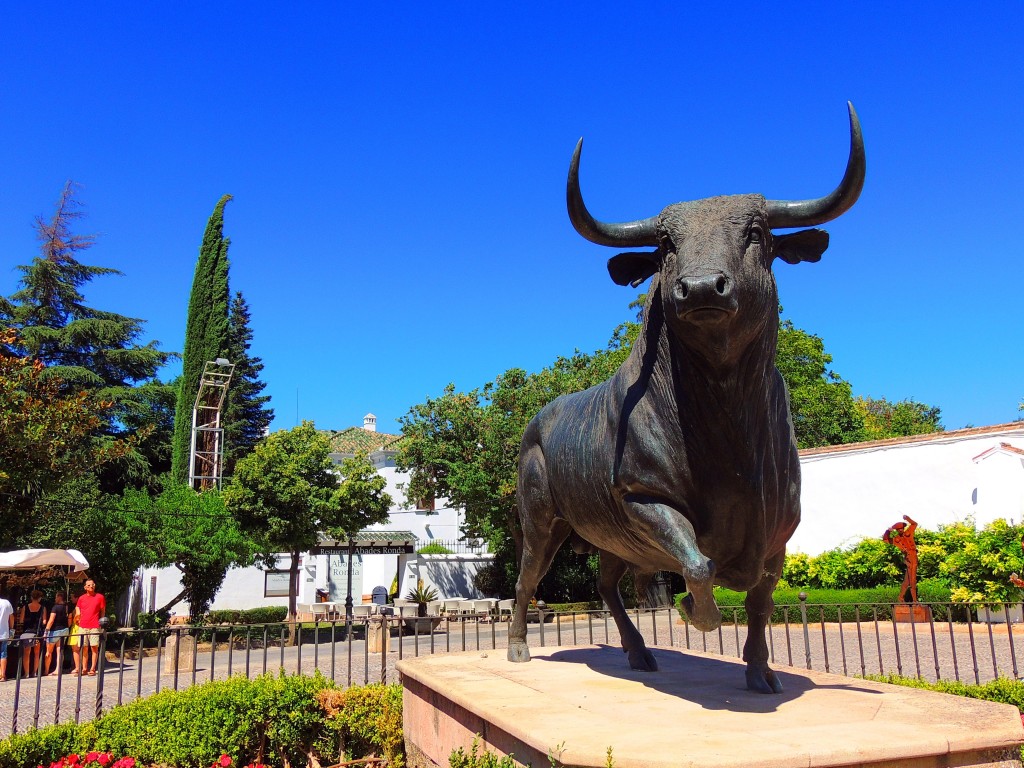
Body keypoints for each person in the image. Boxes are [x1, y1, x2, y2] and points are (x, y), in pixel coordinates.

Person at [883, 515, 919, 603]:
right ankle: (914, 601)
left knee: (907, 581)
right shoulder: (896, 540)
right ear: (896, 531)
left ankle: (901, 598)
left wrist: (907, 519)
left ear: (903, 528)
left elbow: (914, 524)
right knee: (912, 579)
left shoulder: (909, 532)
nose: (900, 530)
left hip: (914, 556)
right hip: (909, 559)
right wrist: (888, 531)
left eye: (901, 529)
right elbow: (885, 539)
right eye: (898, 530)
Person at [74, 580, 106, 676]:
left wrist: (101, 622)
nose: (91, 586)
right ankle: (84, 668)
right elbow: (77, 607)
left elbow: (103, 610)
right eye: (89, 585)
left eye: (93, 584)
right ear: (85, 587)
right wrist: (78, 614)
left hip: (95, 625)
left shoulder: (100, 597)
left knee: (94, 647)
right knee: (83, 647)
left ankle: (92, 668)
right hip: (83, 625)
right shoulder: (81, 598)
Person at [19, 589, 48, 677]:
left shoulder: (25, 607)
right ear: (39, 598)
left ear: (31, 597)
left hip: (27, 632)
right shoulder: (43, 608)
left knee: (26, 653)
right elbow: (44, 621)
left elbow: (21, 620)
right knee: (36, 653)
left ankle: (26, 673)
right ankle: (34, 672)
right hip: (37, 633)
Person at [43, 591, 70, 675]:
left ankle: (46, 670)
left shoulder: (55, 607)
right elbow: (69, 619)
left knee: (49, 652)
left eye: (56, 597)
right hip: (65, 630)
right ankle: (58, 669)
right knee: (59, 650)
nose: (55, 599)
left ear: (59, 597)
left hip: (55, 631)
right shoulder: (66, 607)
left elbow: (51, 620)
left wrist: (46, 630)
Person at [0, 590, 13, 682]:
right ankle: (2, 675)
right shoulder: (6, 603)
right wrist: (11, 628)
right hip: (4, 633)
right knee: (3, 654)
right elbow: (11, 617)